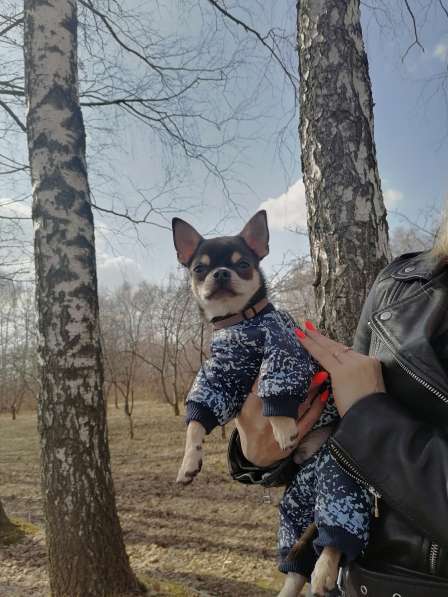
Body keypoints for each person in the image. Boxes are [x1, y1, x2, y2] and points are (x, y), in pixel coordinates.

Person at [234, 242, 448, 596]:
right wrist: (263, 455)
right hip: (356, 581)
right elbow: (341, 417)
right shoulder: (402, 281)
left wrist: (370, 421)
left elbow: (364, 416)